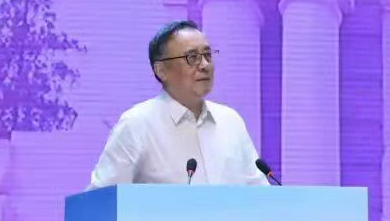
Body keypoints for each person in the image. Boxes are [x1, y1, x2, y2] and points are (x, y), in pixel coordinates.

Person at [86, 20, 269, 188]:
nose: (205, 65)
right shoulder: (137, 124)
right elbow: (100, 199)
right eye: (192, 57)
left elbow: (260, 193)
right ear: (161, 70)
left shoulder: (230, 121)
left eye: (208, 55)